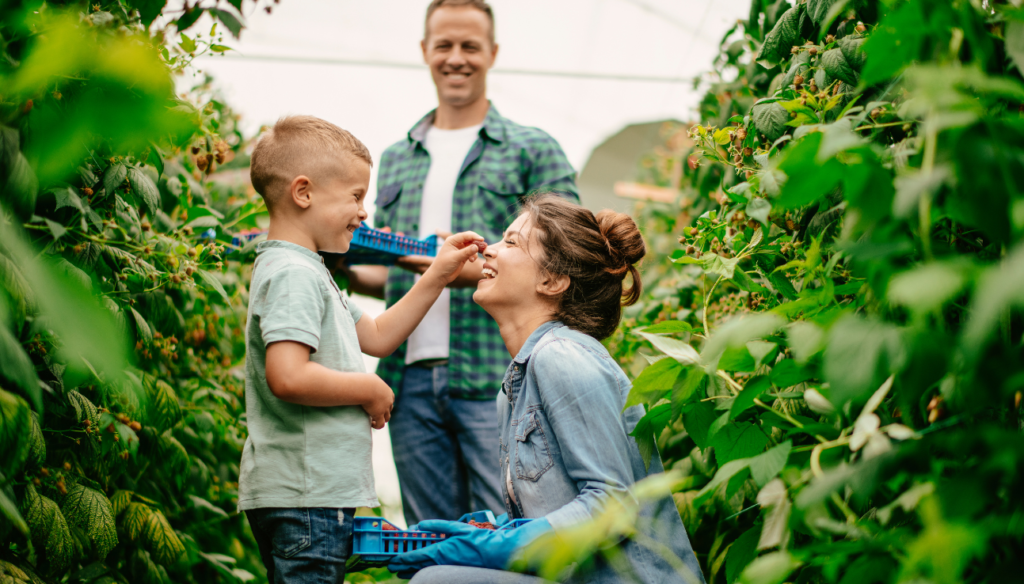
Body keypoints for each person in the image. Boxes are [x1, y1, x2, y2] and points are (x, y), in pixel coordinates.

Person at [387, 195, 707, 584]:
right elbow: (559, 510)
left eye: (511, 242)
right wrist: (491, 533)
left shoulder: (563, 357)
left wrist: (491, 549)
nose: (488, 249)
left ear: (551, 281)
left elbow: (611, 505)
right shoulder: (515, 387)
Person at [343, 0, 579, 527]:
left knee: (513, 535)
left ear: (492, 53)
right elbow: (392, 276)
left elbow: (564, 262)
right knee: (435, 542)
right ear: (425, 51)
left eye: (470, 46)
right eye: (444, 45)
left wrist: (428, 261)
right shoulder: (398, 155)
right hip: (408, 378)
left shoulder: (532, 150)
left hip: (499, 377)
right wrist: (339, 266)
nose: (456, 58)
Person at [239, 115, 485, 582]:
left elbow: (376, 335)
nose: (364, 212)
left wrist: (439, 273)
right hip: (306, 493)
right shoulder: (292, 275)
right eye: (355, 196)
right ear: (304, 192)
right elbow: (287, 375)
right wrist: (368, 387)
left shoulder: (309, 272)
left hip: (308, 493)